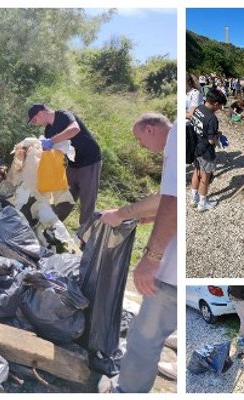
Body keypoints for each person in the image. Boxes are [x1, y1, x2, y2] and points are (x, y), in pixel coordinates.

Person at [98, 113, 177, 393]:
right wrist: (146, 216)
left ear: (150, 129)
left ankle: (127, 392)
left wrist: (150, 257)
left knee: (144, 338)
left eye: (139, 139)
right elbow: (165, 201)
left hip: (173, 272)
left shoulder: (178, 137)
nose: (141, 146)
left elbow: (171, 200)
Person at [28, 103, 101, 230]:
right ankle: (51, 227)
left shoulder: (63, 115)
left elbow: (75, 129)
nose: (36, 124)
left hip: (90, 160)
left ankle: (85, 237)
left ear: (40, 113)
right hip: (73, 164)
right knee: (64, 197)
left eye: (35, 120)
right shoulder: (48, 130)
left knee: (87, 202)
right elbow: (48, 152)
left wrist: (52, 141)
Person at [190, 88, 227, 212]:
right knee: (205, 176)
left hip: (195, 146)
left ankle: (193, 198)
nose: (220, 108)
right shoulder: (212, 118)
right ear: (216, 104)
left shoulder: (198, 108)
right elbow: (211, 140)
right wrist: (219, 137)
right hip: (206, 151)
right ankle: (202, 203)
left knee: (196, 171)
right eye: (220, 105)